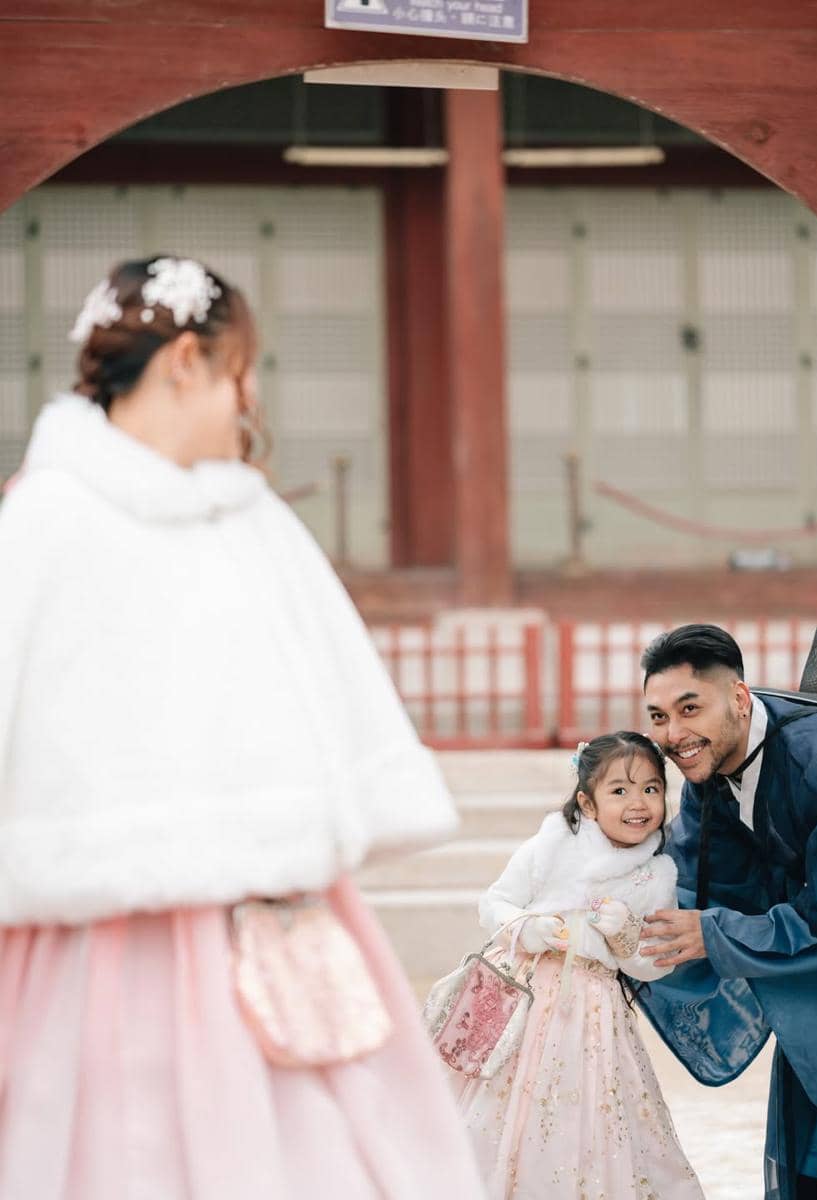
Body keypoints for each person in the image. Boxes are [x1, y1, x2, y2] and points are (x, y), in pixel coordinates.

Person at [0, 257, 489, 1200]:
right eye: (241, 369)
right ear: (188, 360)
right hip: (102, 928)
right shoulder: (46, 518)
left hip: (259, 924)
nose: (249, 398)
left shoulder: (241, 514)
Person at [637, 623, 817, 1200]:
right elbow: (694, 886)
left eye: (689, 708)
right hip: (813, 994)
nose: (675, 735)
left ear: (739, 697)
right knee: (811, 1160)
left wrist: (714, 934)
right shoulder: (705, 773)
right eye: (658, 717)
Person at [455, 731, 704, 1200]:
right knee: (512, 1107)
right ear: (588, 804)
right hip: (524, 1000)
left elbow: (654, 965)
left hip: (593, 1014)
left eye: (651, 789)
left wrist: (626, 933)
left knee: (591, 1112)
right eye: (620, 790)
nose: (638, 803)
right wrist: (529, 928)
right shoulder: (552, 844)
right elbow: (496, 902)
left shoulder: (657, 872)